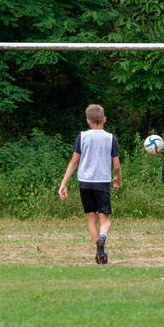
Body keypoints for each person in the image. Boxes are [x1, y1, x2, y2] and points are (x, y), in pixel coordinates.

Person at [59, 104, 122, 264]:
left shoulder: (82, 136)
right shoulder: (110, 138)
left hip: (85, 182)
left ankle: (99, 249)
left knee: (91, 217)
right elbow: (116, 165)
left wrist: (63, 183)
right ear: (104, 119)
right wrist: (118, 179)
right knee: (105, 218)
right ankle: (102, 237)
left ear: (88, 121)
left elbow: (74, 162)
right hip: (102, 181)